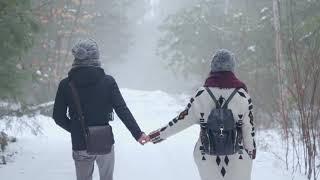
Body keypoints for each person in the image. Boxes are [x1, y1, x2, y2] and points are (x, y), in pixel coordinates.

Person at [148, 49, 256, 180]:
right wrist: (251, 151)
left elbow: (181, 120)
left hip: (207, 155)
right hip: (238, 158)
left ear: (212, 68)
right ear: (232, 69)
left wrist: (157, 135)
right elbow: (248, 129)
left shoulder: (202, 94)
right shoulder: (242, 95)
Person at [52, 39, 149, 180]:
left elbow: (58, 116)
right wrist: (138, 134)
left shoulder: (65, 84)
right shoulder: (108, 81)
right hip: (104, 141)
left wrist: (76, 129)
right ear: (96, 56)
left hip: (80, 143)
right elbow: (122, 110)